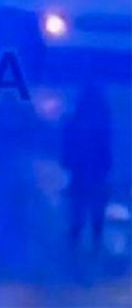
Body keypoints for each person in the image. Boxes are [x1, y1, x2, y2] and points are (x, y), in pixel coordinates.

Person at [61, 86, 112, 253]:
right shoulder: (102, 126)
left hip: (82, 177)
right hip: (94, 177)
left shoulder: (73, 125)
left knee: (79, 217)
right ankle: (91, 251)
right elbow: (107, 155)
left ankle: (75, 252)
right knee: (92, 217)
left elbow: (66, 157)